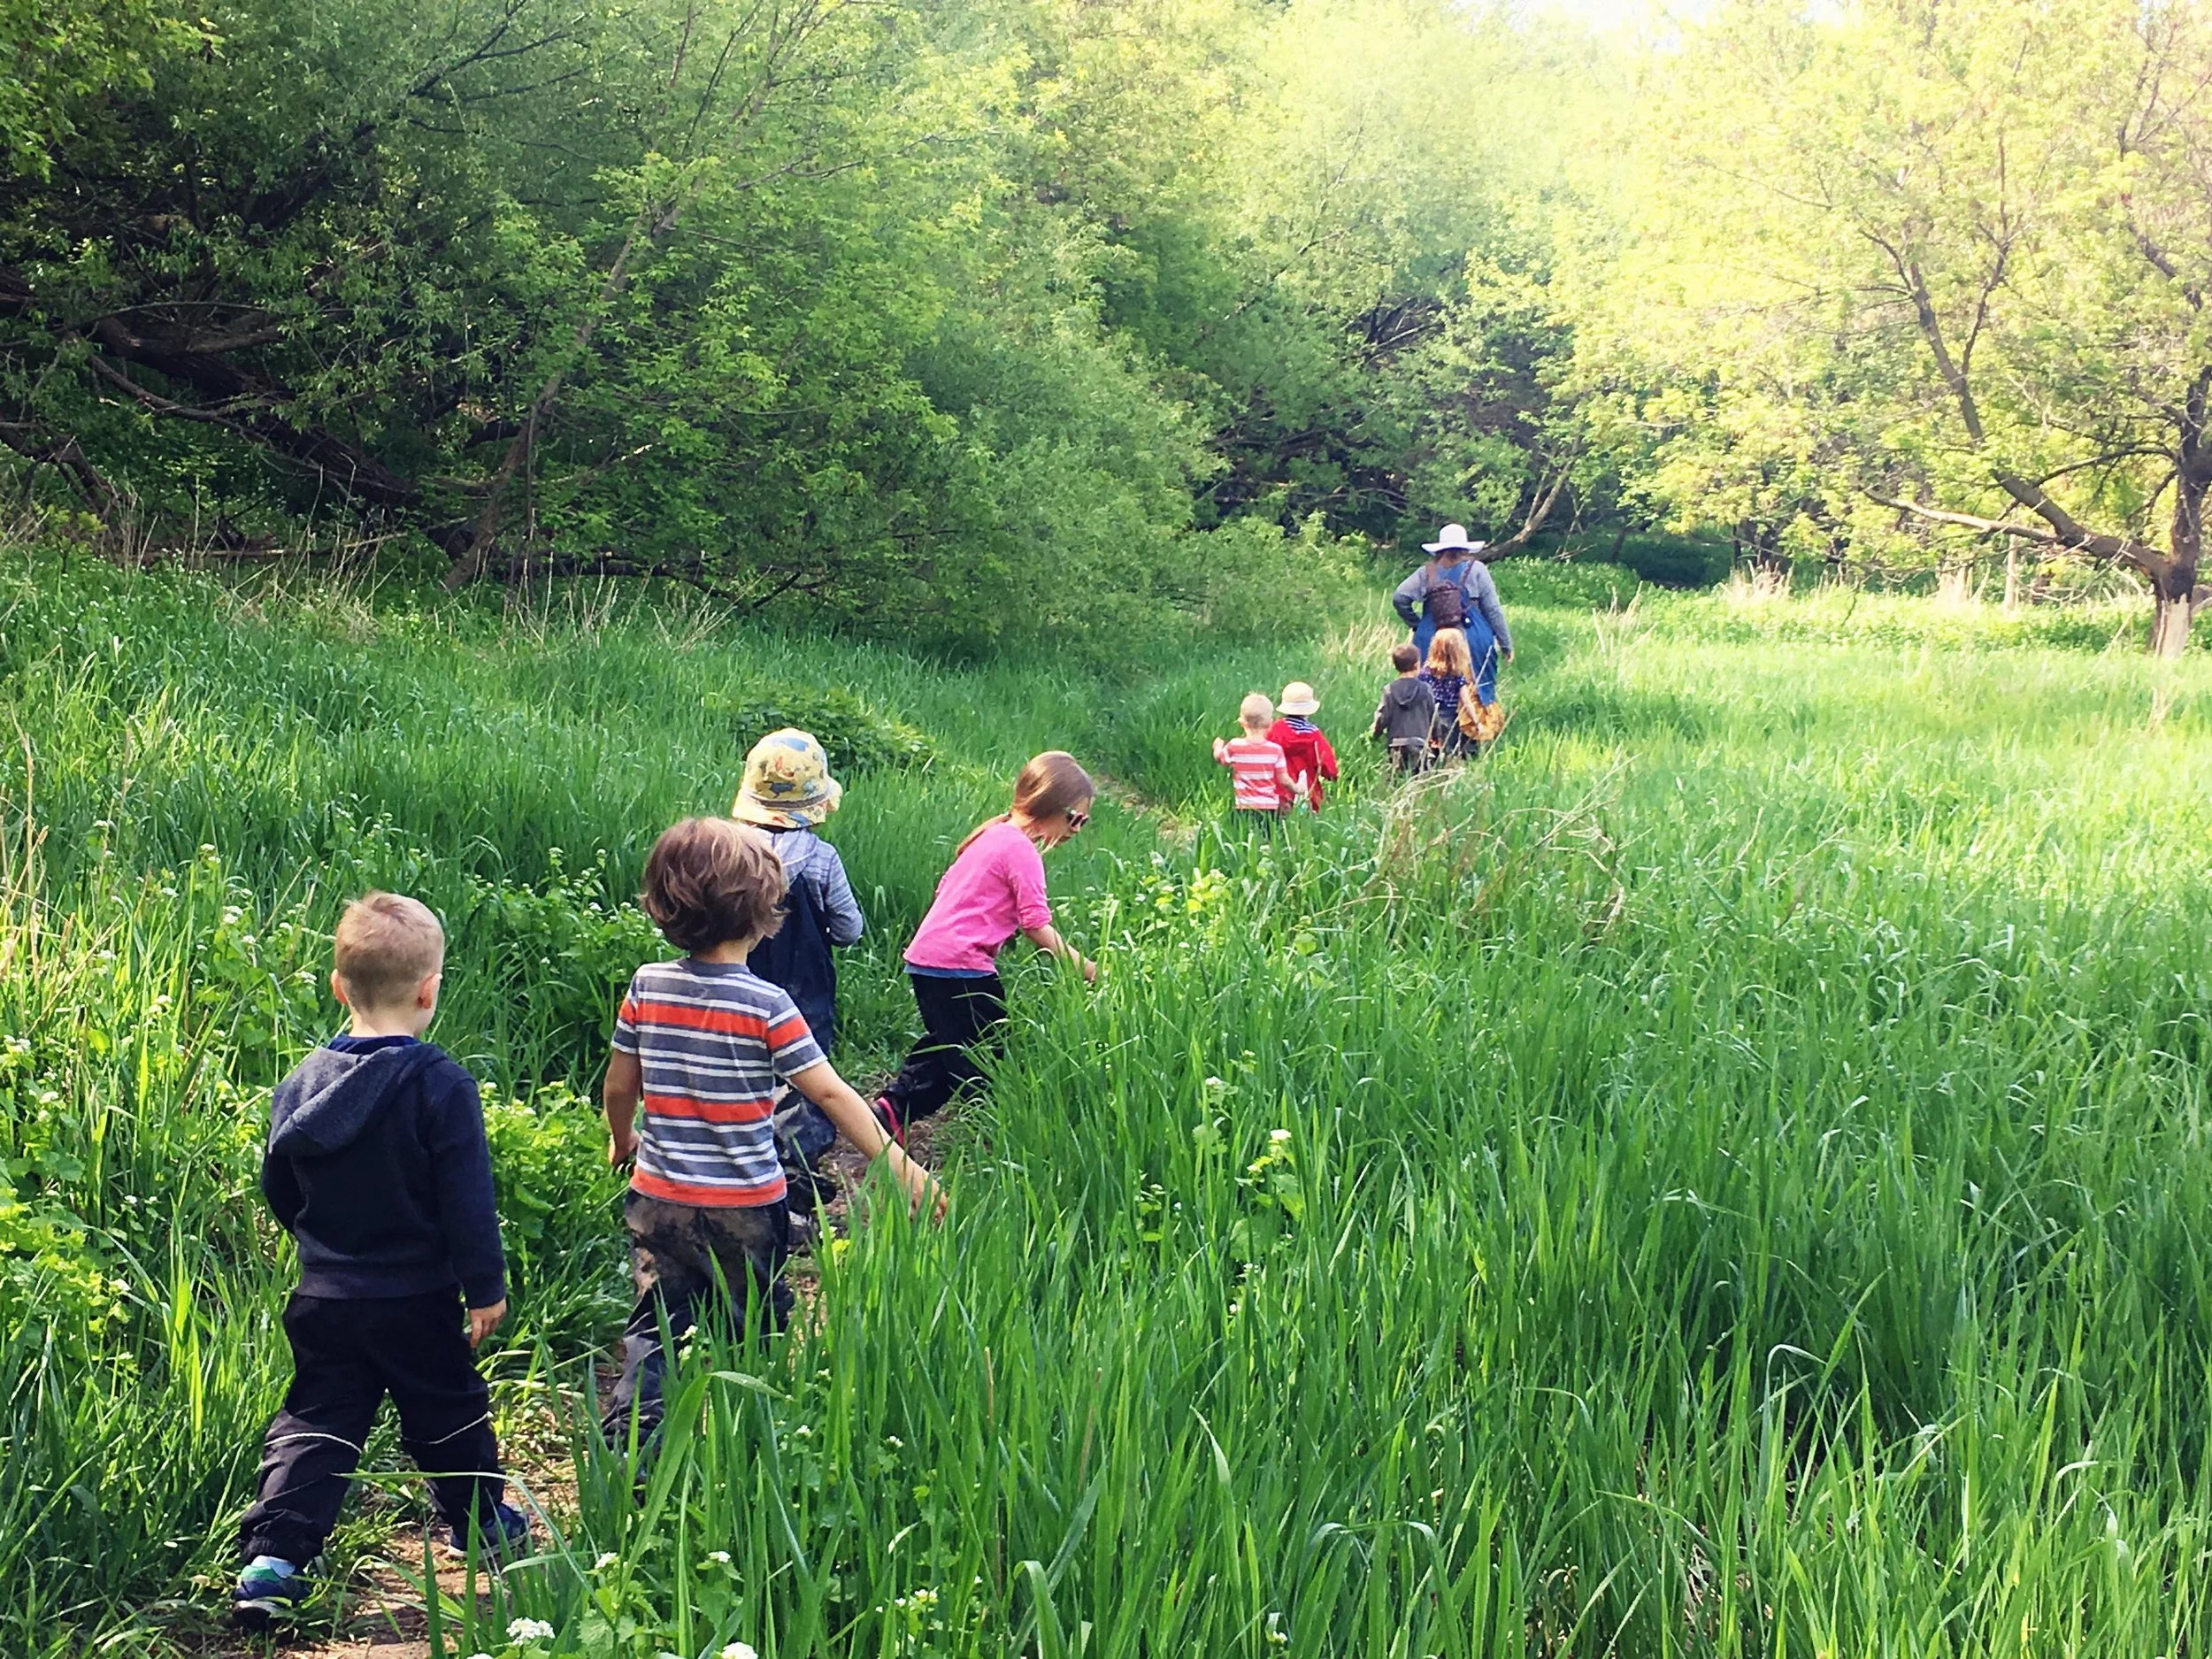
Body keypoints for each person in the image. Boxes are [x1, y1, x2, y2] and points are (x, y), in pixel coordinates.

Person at [233, 893, 526, 1629]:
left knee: (317, 1421)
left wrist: (318, 1246)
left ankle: (274, 1558)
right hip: (417, 1293)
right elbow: (466, 1196)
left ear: (339, 987)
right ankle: (482, 1522)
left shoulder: (303, 1081)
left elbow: (278, 1180)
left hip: (326, 1292)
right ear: (430, 989)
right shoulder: (438, 1082)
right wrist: (484, 1286)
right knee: (446, 1408)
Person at [602, 818, 936, 1446]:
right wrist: (898, 1163)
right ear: (763, 913)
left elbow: (620, 1084)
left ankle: (629, 1454)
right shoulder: (768, 1005)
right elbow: (831, 1094)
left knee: (658, 1326)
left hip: (660, 1198)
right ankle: (750, 1436)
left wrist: (622, 1138)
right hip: (745, 1204)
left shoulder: (647, 986)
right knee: (754, 1316)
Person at [876, 752, 1099, 1137]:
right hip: (960, 966)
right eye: (1074, 818)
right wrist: (1084, 966)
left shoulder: (992, 834)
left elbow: (946, 889)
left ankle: (889, 1112)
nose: (1077, 829)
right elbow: (1036, 924)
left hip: (930, 961)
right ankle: (998, 1133)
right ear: (1046, 804)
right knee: (988, 1059)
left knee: (951, 1047)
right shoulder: (1021, 849)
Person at [730, 729, 864, 1210]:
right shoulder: (822, 860)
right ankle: (792, 1178)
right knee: (802, 1080)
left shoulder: (731, 853)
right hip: (804, 988)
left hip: (738, 983)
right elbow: (849, 928)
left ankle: (744, 1160)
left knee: (744, 1069)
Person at [1392, 524, 1514, 701]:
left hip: (1432, 636)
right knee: (1475, 689)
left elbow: (1399, 597)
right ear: (1464, 548)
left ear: (1439, 549)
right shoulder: (1477, 569)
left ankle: (1430, 723)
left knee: (1429, 689)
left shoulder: (1426, 572)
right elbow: (1493, 610)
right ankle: (1472, 723)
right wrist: (1506, 644)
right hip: (1471, 635)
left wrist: (1417, 624)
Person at [1214, 692, 1296, 831]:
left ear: (1241, 722)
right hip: (1269, 808)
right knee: (1268, 842)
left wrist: (1218, 747)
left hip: (1244, 807)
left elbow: (1220, 759)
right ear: (1270, 724)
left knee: (1244, 839)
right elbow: (1284, 781)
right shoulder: (1275, 750)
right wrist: (1297, 788)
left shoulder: (1234, 746)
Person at [1267, 681, 1340, 812]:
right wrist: (1332, 775)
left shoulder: (1274, 730)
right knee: (1303, 825)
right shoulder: (1314, 735)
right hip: (1307, 790)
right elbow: (1328, 767)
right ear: (1308, 710)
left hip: (1278, 790)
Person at [1371, 642, 1437, 774]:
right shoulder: (1425, 689)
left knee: (1397, 779)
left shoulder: (1389, 690)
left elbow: (1382, 716)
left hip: (1396, 744)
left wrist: (1375, 734)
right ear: (1417, 665)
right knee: (1419, 780)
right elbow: (1433, 715)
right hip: (1419, 743)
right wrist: (1437, 736)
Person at [1420, 628, 1477, 762]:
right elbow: (1466, 701)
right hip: (1449, 718)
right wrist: (1476, 721)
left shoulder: (1425, 672)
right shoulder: (1457, 675)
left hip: (1428, 717)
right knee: (1449, 750)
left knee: (1431, 748)